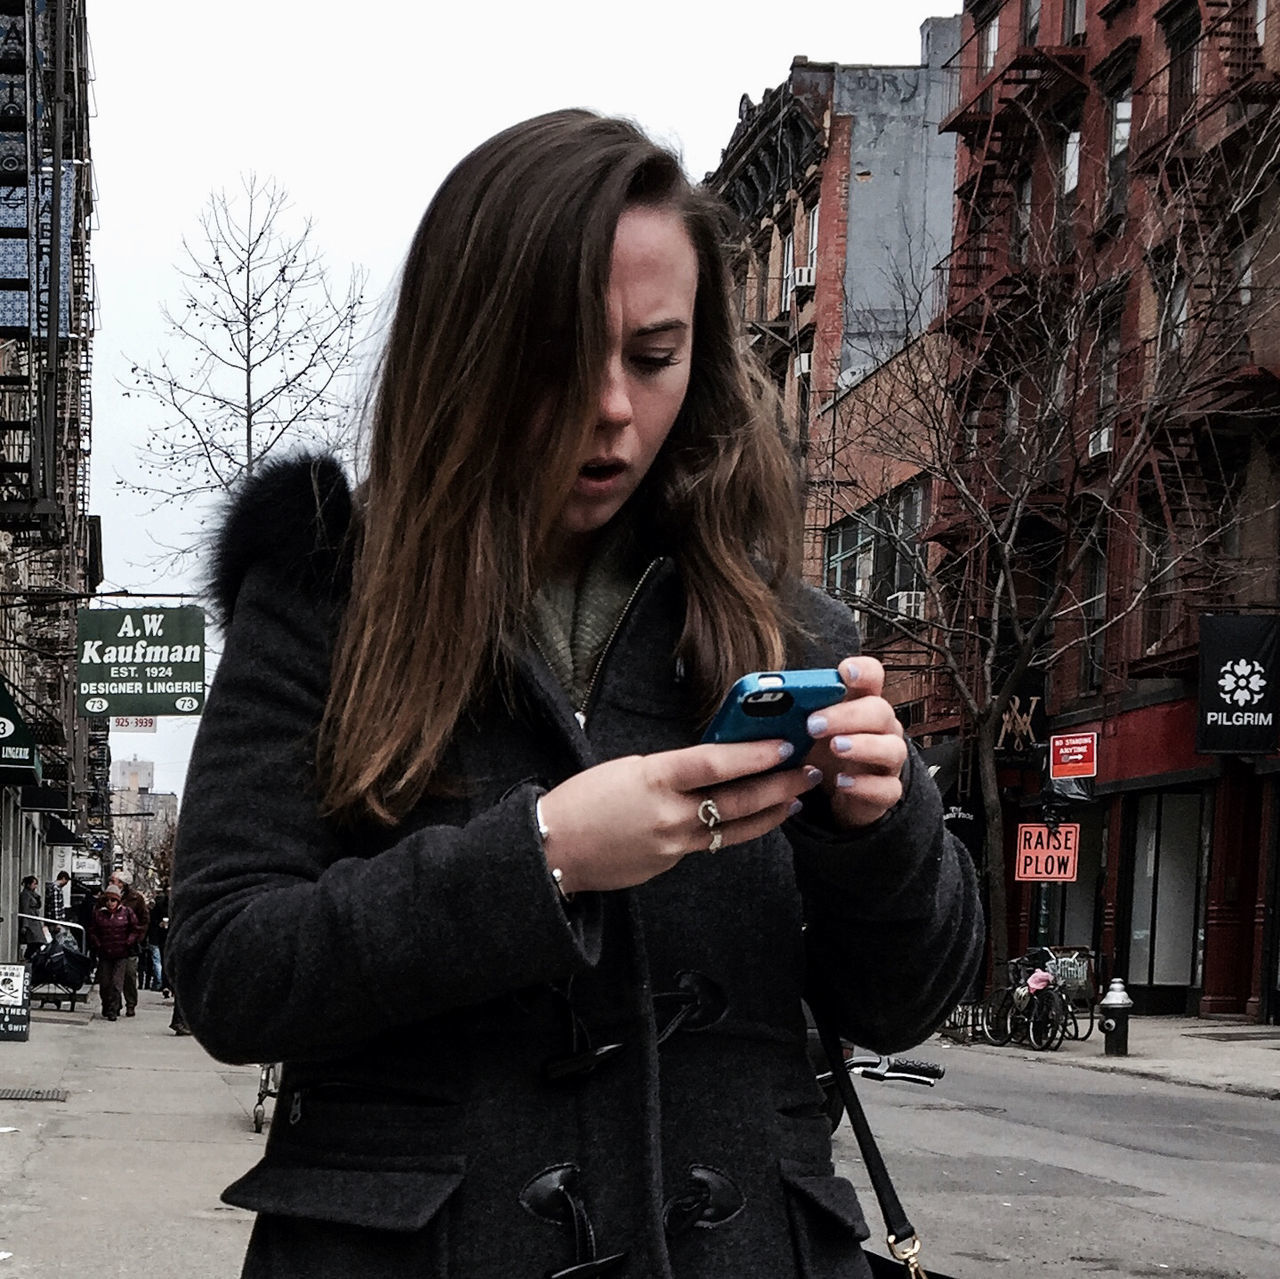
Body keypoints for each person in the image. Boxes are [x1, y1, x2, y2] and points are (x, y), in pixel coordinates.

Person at [167, 110, 983, 1279]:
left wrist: (881, 830)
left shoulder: (784, 630)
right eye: (558, 360)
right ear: (467, 349)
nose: (612, 409)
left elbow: (902, 1000)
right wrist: (537, 857)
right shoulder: (324, 602)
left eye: (653, 357)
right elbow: (229, 969)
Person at [87, 884, 144, 1022]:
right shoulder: (99, 914)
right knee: (105, 983)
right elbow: (92, 930)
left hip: (122, 953)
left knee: (116, 983)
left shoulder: (127, 912)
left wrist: (130, 941)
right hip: (105, 953)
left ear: (118, 901)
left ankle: (114, 1009)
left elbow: (136, 928)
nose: (110, 903)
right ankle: (106, 1006)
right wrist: (97, 943)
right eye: (108, 900)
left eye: (113, 900)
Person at [105, 870, 149, 1017]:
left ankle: (131, 1003)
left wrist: (136, 938)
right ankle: (114, 1005)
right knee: (110, 978)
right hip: (110, 944)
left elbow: (144, 920)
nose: (110, 883)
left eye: (113, 881)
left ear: (122, 884)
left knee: (129, 975)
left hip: (129, 945)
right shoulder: (107, 896)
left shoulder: (136, 899)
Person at [17, 875, 43, 961]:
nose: (35, 886)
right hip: (30, 921)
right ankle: (27, 957)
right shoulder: (25, 895)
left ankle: (31, 958)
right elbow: (24, 909)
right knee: (34, 942)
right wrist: (24, 925)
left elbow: (38, 905)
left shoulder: (33, 895)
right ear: (29, 884)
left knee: (38, 942)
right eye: (34, 884)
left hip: (35, 920)